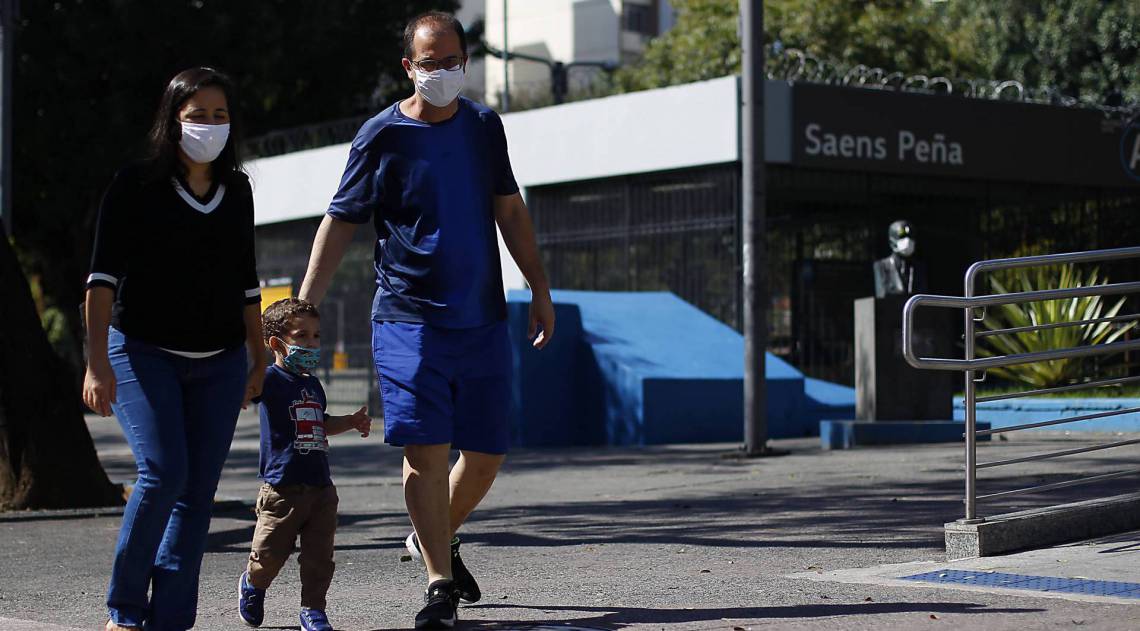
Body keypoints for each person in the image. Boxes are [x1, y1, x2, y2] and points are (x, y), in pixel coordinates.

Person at [297, 11, 555, 629]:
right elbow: (340, 221)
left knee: (486, 454)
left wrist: (539, 286)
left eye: (451, 61)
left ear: (466, 61)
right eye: (429, 62)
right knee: (427, 449)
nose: (441, 71)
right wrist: (302, 306)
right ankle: (440, 584)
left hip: (481, 317)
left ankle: (428, 536)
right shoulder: (381, 135)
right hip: (406, 316)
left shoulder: (484, 127)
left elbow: (510, 211)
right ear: (409, 67)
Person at [82, 67, 266, 631]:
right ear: (172, 120)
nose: (209, 125)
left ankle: (171, 618)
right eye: (197, 115)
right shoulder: (134, 185)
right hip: (142, 353)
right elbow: (101, 281)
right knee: (164, 473)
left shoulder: (237, 190)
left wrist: (258, 356)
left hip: (221, 361)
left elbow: (247, 282)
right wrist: (95, 363)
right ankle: (125, 610)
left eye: (219, 115)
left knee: (197, 492)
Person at [237, 297, 372, 631]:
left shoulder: (313, 383)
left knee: (319, 558)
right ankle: (253, 584)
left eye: (316, 335)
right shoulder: (269, 380)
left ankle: (313, 610)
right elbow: (241, 391)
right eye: (302, 336)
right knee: (269, 557)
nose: (312, 343)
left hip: (321, 488)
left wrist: (350, 421)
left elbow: (320, 422)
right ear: (276, 344)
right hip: (282, 489)